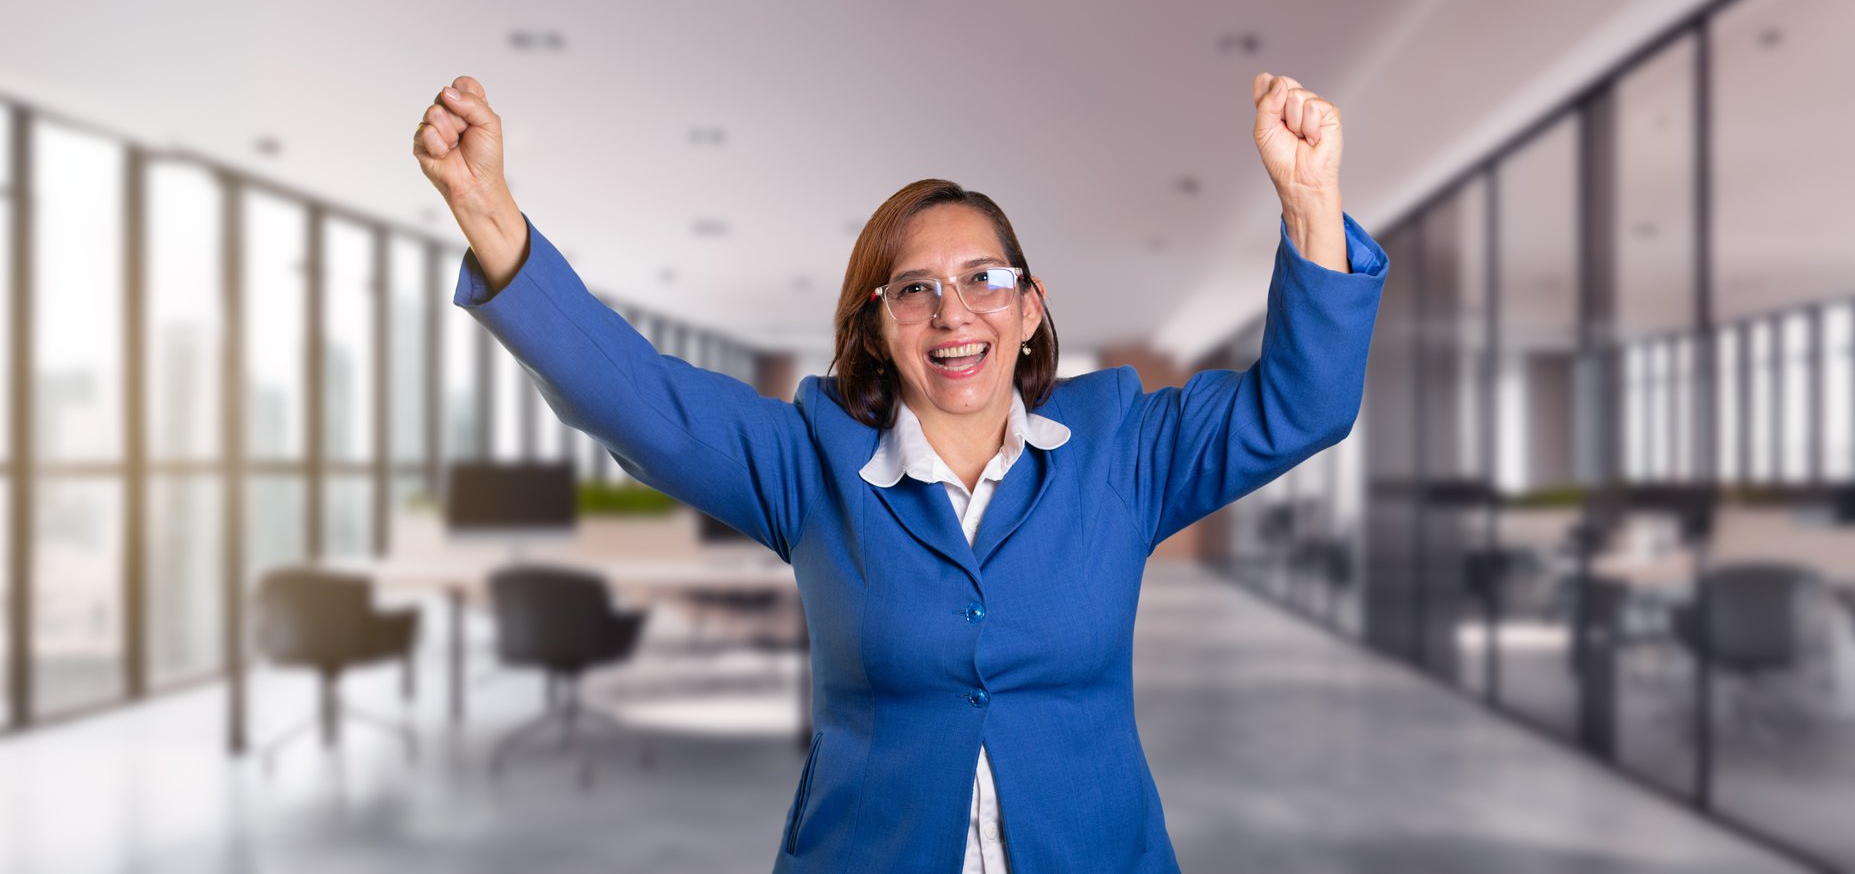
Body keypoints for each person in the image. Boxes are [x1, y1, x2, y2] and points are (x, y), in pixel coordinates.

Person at [413, 71, 1388, 874]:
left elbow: (1301, 407)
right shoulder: (810, 462)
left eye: (984, 282)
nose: (954, 314)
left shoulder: (1122, 446)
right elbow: (638, 400)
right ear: (879, 326)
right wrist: (488, 211)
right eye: (914, 290)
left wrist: (1311, 202)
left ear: (1032, 306)